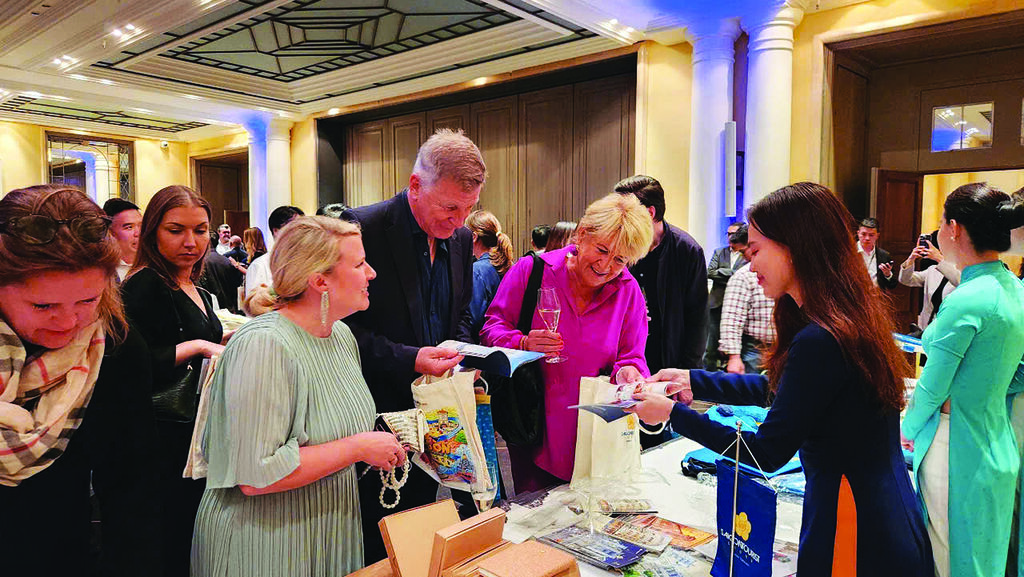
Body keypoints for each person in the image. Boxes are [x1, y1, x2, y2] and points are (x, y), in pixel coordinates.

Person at [627, 182, 933, 576]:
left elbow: (765, 453)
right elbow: (787, 391)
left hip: (854, 523)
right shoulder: (841, 319)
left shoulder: (822, 337)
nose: (749, 263)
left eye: (756, 251)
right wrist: (693, 381)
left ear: (795, 246)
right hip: (877, 509)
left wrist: (673, 414)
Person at [192, 216, 405, 576]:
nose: (371, 273)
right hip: (264, 543)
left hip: (326, 526)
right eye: (359, 264)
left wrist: (385, 443)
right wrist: (358, 447)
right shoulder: (264, 345)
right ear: (320, 281)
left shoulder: (340, 336)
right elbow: (255, 473)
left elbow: (332, 435)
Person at [0, 185, 160, 575]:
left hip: (58, 552)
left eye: (88, 300)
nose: (69, 322)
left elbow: (130, 488)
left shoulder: (115, 348)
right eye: (43, 305)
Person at [342, 128, 482, 563]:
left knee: (421, 522)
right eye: (450, 207)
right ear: (415, 185)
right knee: (376, 536)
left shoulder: (460, 238)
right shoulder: (362, 227)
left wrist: (464, 352)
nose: (459, 221)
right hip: (376, 411)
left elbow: (461, 312)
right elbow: (341, 331)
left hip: (437, 411)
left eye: (469, 209)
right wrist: (411, 358)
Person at [481, 193, 652, 492]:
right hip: (533, 427)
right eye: (602, 250)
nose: (605, 265)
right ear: (582, 234)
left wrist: (629, 372)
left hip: (596, 435)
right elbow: (491, 329)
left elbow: (633, 356)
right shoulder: (532, 270)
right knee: (534, 514)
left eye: (620, 260)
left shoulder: (629, 291)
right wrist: (522, 342)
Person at [901, 182, 1024, 577]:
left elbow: (932, 388)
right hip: (997, 437)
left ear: (953, 228)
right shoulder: (1014, 289)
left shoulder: (967, 299)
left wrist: (905, 428)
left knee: (951, 559)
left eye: (941, 221)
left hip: (956, 444)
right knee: (985, 558)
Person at [122, 185, 226, 577]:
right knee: (169, 537)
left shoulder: (190, 283)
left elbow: (201, 338)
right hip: (161, 435)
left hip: (190, 429)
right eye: (176, 230)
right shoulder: (145, 283)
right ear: (152, 232)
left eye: (200, 230)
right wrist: (197, 346)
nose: (191, 242)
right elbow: (132, 364)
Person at [719, 237, 775, 375]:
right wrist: (733, 357)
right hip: (755, 349)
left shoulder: (786, 274)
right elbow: (732, 318)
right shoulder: (743, 276)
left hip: (785, 346)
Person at [243, 205, 304, 314]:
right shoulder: (260, 265)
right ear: (276, 231)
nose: (299, 233)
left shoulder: (306, 262)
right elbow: (254, 308)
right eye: (294, 227)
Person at [465, 210, 515, 342]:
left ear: (473, 237)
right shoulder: (510, 265)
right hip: (507, 340)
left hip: (485, 344)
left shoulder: (477, 271)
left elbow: (474, 320)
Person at [898, 231, 960, 333]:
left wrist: (939, 258)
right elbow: (905, 280)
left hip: (949, 329)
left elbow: (960, 282)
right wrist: (911, 259)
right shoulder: (933, 270)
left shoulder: (963, 272)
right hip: (927, 328)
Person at [705, 222, 748, 370]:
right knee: (710, 347)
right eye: (728, 234)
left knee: (737, 349)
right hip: (716, 304)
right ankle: (708, 375)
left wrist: (723, 273)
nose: (730, 237)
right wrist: (733, 274)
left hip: (738, 306)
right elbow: (710, 272)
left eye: (734, 234)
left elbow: (746, 273)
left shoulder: (746, 253)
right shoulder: (719, 252)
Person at [199, 231, 243, 313]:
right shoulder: (227, 261)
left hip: (209, 310)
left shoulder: (200, 263)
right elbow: (237, 282)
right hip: (229, 309)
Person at [103, 197, 142, 281]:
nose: (138, 233)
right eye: (129, 227)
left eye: (141, 226)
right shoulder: (101, 270)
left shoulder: (156, 266)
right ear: (110, 233)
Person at [857, 217, 899, 290]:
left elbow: (892, 285)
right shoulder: (848, 253)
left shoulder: (884, 255)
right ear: (858, 233)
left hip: (876, 294)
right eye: (863, 234)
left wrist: (887, 275)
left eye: (871, 235)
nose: (867, 238)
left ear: (877, 236)